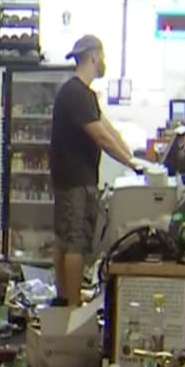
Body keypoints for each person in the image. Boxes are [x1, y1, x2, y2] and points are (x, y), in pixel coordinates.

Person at [49, 34, 142, 307]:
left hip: (74, 177)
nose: (104, 62)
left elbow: (105, 126)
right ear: (93, 56)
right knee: (74, 241)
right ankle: (72, 305)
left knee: (65, 239)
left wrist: (132, 156)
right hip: (75, 179)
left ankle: (65, 296)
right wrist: (132, 164)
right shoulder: (76, 92)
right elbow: (99, 137)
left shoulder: (82, 93)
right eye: (102, 56)